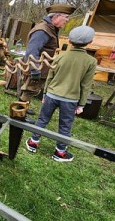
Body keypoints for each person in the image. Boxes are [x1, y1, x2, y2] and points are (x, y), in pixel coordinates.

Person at [25, 25, 98, 162]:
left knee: (42, 119)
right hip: (70, 99)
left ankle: (33, 142)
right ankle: (60, 152)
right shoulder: (91, 61)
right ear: (90, 42)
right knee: (65, 125)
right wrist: (81, 104)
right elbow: (85, 85)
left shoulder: (60, 57)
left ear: (70, 41)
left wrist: (45, 93)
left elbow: (50, 77)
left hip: (52, 95)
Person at [19, 3, 76, 123]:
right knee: (29, 89)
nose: (67, 20)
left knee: (32, 89)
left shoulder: (50, 28)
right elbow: (32, 51)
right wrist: (35, 70)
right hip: (36, 66)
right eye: (65, 17)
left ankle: (24, 107)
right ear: (56, 17)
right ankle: (20, 114)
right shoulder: (43, 30)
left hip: (41, 67)